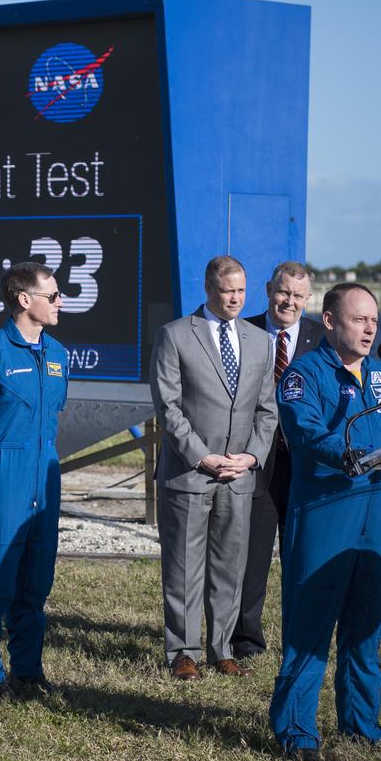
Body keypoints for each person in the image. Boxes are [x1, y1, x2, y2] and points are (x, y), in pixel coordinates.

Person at [268, 282, 381, 761]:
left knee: (365, 627)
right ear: (331, 322)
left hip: (377, 516)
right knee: (309, 630)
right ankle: (296, 731)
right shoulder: (304, 374)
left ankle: (360, 723)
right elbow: (305, 431)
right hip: (325, 517)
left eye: (374, 320)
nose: (370, 328)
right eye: (359, 320)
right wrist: (348, 453)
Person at [149, 255, 276, 681]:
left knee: (229, 566)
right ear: (208, 290)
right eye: (228, 291)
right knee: (184, 566)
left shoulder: (260, 341)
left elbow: (266, 410)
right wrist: (202, 455)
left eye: (242, 290)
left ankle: (222, 648)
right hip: (190, 472)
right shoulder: (175, 336)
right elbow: (168, 409)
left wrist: (252, 456)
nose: (236, 298)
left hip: (239, 475)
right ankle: (183, 650)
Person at [0, 262, 69, 699]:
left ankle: (28, 668)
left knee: (37, 576)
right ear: (26, 300)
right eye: (54, 296)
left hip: (44, 470)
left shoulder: (59, 354)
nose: (61, 302)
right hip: (2, 467)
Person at [231, 261, 324, 660]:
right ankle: (246, 640)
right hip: (257, 462)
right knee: (250, 559)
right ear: (269, 289)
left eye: (298, 296)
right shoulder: (242, 331)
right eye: (283, 292)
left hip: (304, 465)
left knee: (300, 556)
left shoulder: (323, 339)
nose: (289, 301)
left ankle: (299, 638)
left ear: (308, 299)